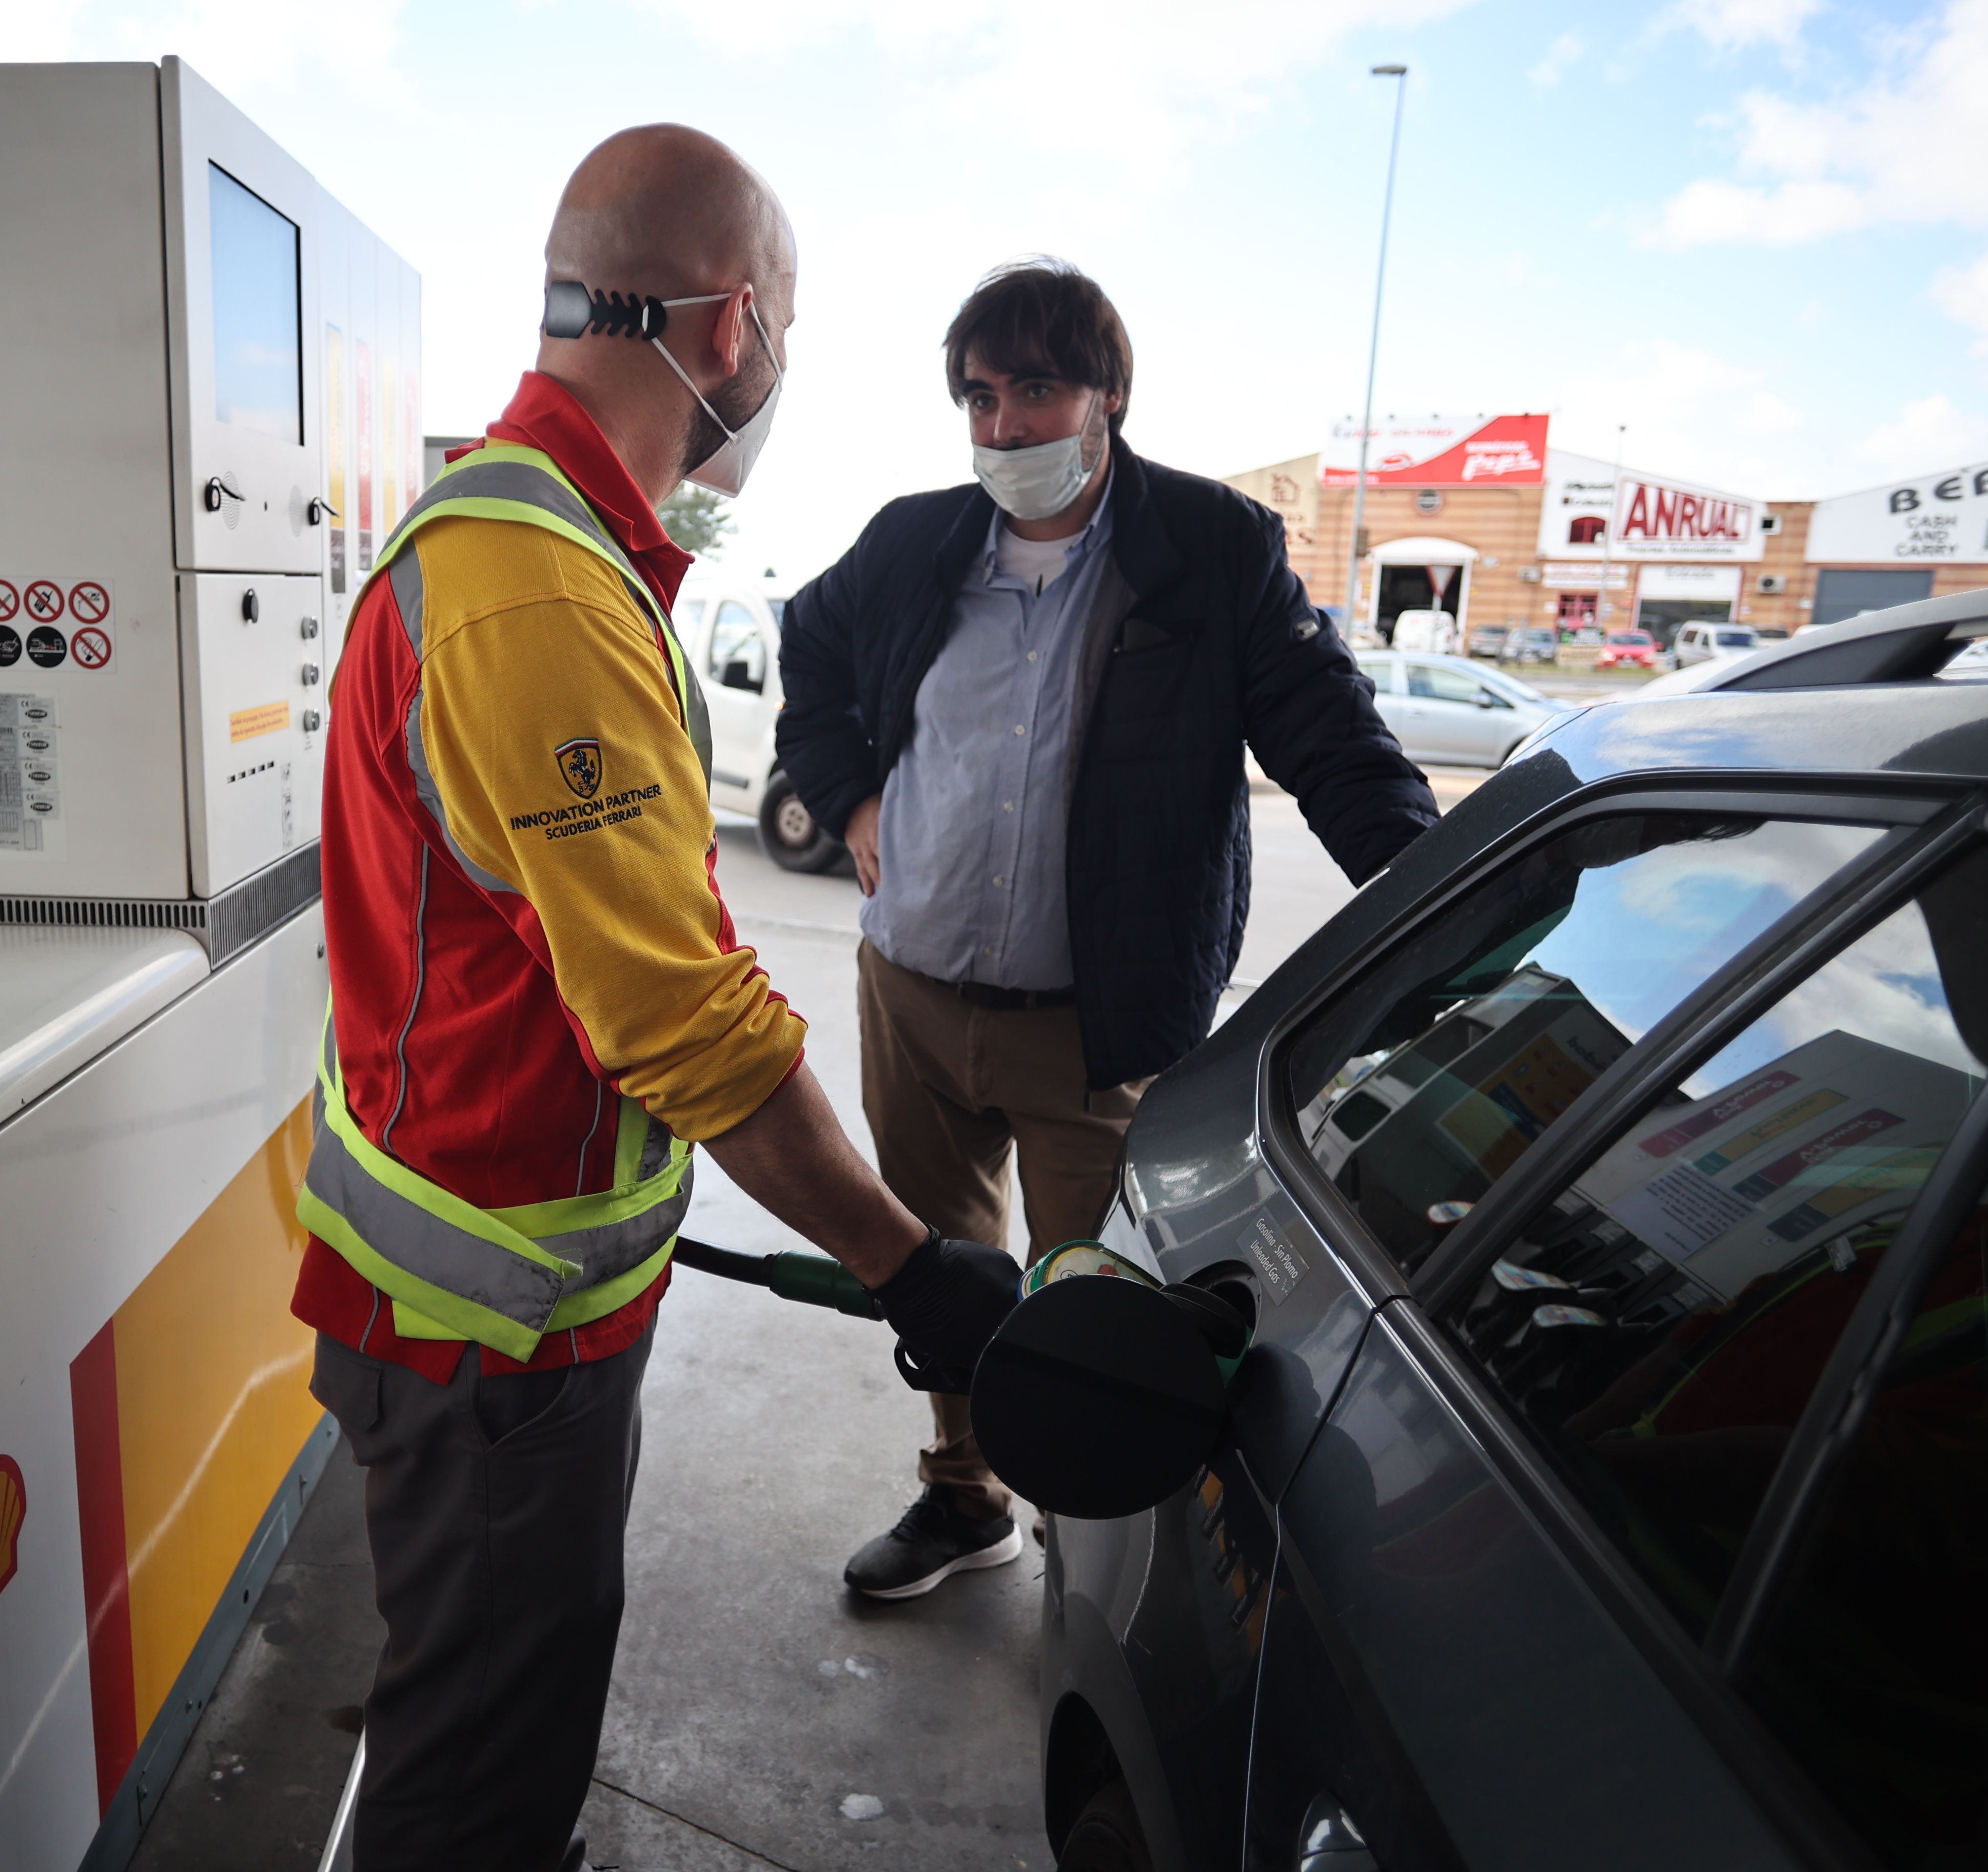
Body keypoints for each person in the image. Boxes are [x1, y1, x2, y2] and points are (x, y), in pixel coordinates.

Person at [293, 127, 1022, 1872]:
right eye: (788, 337)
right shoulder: (535, 586)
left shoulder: (554, 542)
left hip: (507, 1310)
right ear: (735, 327)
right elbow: (683, 1018)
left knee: (499, 1729)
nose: (777, 373)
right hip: (491, 1345)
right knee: (472, 1784)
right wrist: (906, 1261)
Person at [776, 259, 1439, 1598]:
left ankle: (1099, 1578)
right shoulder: (915, 540)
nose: (1005, 425)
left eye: (1035, 389)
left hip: (1097, 1026)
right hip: (908, 992)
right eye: (979, 396)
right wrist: (846, 792)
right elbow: (814, 649)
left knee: (1089, 1313)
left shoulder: (1211, 551)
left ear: (1108, 396)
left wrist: (1439, 901)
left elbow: (1337, 750)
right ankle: (966, 1499)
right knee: (945, 1276)